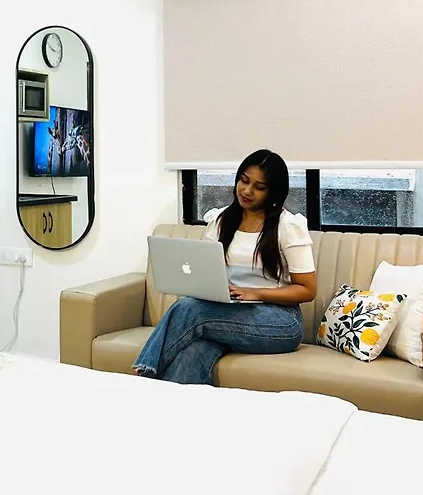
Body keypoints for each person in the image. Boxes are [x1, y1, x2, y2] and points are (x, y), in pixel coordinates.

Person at [133, 149, 317, 385]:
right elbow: (207, 271)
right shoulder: (221, 221)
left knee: (189, 309)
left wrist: (256, 293)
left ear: (273, 192)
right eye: (244, 180)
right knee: (194, 351)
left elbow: (307, 290)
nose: (247, 191)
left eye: (259, 187)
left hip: (280, 322)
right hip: (226, 314)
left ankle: (142, 381)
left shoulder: (288, 227)